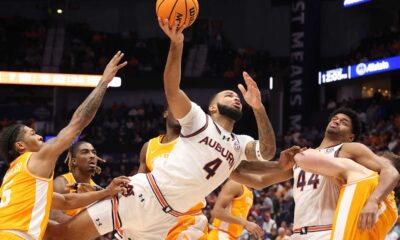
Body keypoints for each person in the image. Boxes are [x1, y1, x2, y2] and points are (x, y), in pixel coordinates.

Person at [44, 19, 283, 240]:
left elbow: (268, 151)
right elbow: (172, 88)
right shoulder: (199, 120)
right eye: (228, 94)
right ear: (212, 107)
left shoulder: (240, 143)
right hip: (144, 196)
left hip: (168, 217)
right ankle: (15, 221)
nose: (235, 97)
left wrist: (259, 108)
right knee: (66, 234)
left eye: (236, 95)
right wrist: (177, 44)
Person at [0, 51, 127, 240]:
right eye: (33, 134)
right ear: (20, 145)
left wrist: (107, 192)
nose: (41, 136)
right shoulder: (34, 159)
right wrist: (103, 83)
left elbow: (67, 201)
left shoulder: (17, 176)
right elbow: (76, 125)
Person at [233, 108, 400, 240]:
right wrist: (223, 166)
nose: (337, 121)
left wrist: (373, 201)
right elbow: (260, 181)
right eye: (335, 118)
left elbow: (390, 172)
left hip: (327, 231)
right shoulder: (306, 156)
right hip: (297, 232)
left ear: (351, 136)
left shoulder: (348, 149)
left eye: (344, 122)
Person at [292, 149, 399, 239]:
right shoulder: (393, 212)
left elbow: (302, 158)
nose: (374, 166)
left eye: (379, 165)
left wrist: (305, 151)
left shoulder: (364, 177)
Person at [136, 109, 208, 239]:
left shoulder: (195, 142)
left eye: (185, 112)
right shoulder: (149, 146)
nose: (180, 112)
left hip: (188, 218)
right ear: (165, 113)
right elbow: (139, 185)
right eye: (176, 108)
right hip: (158, 220)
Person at [51, 141, 103, 223]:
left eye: (94, 152)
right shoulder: (61, 183)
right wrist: (90, 226)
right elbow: (54, 217)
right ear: (74, 161)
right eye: (85, 152)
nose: (92, 156)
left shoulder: (96, 189)